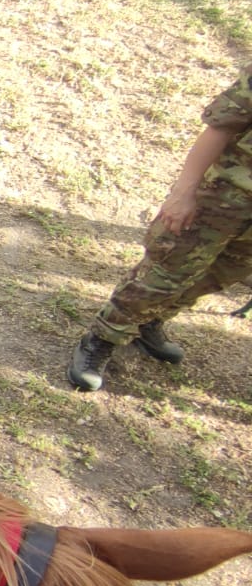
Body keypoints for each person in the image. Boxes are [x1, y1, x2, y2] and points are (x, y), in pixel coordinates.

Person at [68, 64, 252, 391]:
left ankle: (150, 322)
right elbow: (220, 127)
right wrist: (184, 193)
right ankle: (102, 338)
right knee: (166, 272)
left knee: (221, 275)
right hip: (224, 199)